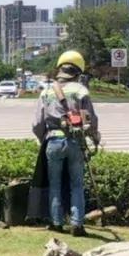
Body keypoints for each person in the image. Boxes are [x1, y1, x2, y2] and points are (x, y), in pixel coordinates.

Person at [31, 50, 100, 237]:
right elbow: (91, 120)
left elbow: (37, 124)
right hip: (75, 142)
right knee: (76, 184)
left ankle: (56, 222)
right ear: (78, 72)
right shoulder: (81, 91)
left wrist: (43, 139)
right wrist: (95, 137)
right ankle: (77, 224)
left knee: (54, 184)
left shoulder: (46, 92)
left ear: (60, 70)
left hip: (53, 141)